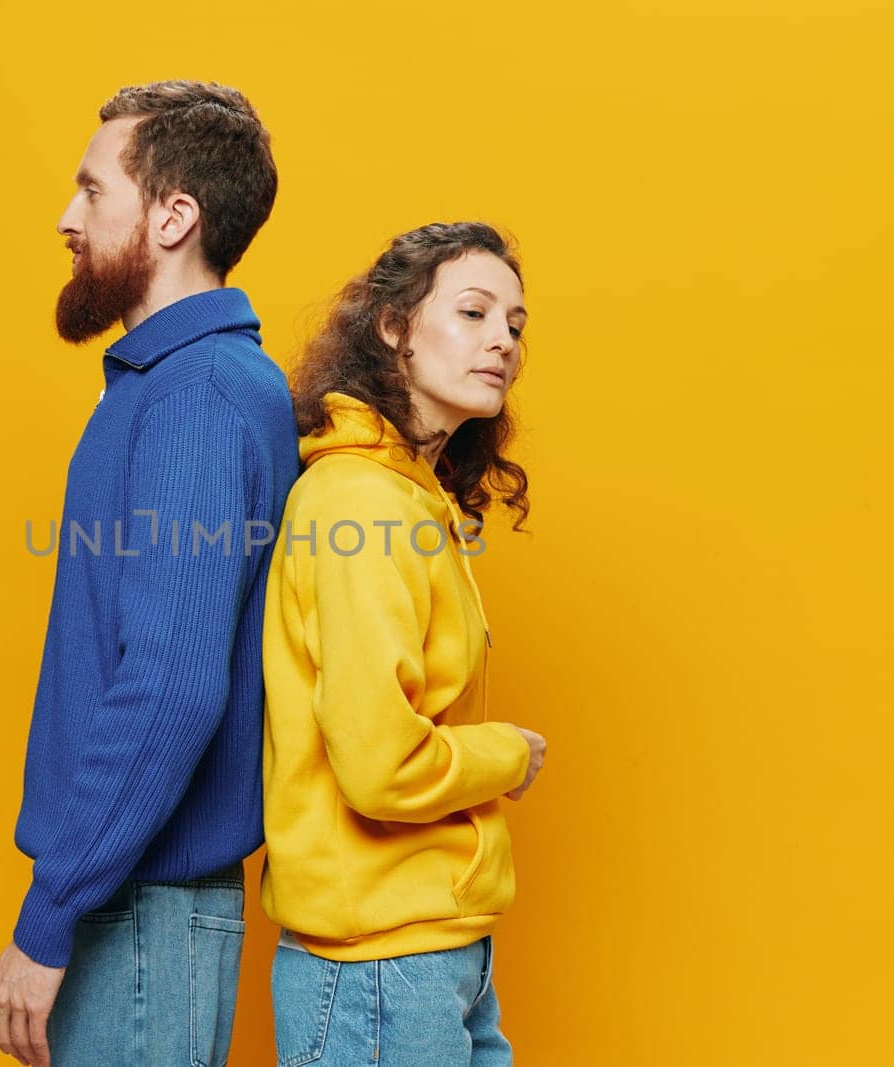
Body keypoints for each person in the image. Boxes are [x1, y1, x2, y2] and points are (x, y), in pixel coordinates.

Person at [0, 81, 296, 1067]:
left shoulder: (194, 395)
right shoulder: (174, 383)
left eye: (91, 189)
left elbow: (168, 683)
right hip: (134, 899)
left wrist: (49, 914)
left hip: (141, 909)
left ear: (172, 216)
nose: (66, 218)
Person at [260, 221, 548, 1066]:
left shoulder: (405, 498)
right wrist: (505, 754)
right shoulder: (361, 501)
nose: (503, 338)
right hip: (381, 963)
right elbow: (378, 764)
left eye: (516, 324)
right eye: (473, 311)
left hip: (434, 948)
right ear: (393, 327)